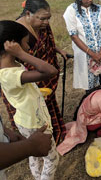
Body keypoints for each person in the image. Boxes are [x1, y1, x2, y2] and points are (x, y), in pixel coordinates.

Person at [2, 0, 68, 144]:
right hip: (28, 81)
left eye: (48, 18)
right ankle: (34, 143)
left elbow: (47, 44)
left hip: (43, 77)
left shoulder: (42, 26)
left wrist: (58, 50)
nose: (46, 22)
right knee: (33, 114)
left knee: (47, 107)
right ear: (27, 14)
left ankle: (54, 135)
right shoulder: (15, 35)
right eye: (42, 19)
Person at [0, 20, 59, 180]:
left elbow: (22, 89)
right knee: (52, 158)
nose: (28, 48)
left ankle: (37, 175)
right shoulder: (9, 74)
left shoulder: (12, 67)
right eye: (25, 44)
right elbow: (50, 71)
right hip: (35, 121)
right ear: (13, 46)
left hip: (25, 119)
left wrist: (36, 93)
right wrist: (21, 54)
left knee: (33, 154)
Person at [63, 0, 101, 90]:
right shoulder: (71, 10)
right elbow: (74, 36)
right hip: (85, 55)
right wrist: (92, 54)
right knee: (90, 88)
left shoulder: (99, 9)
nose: (90, 0)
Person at [0, 115, 52, 180]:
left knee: (35, 159)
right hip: (32, 122)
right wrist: (31, 145)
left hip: (24, 121)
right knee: (51, 159)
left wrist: (5, 131)